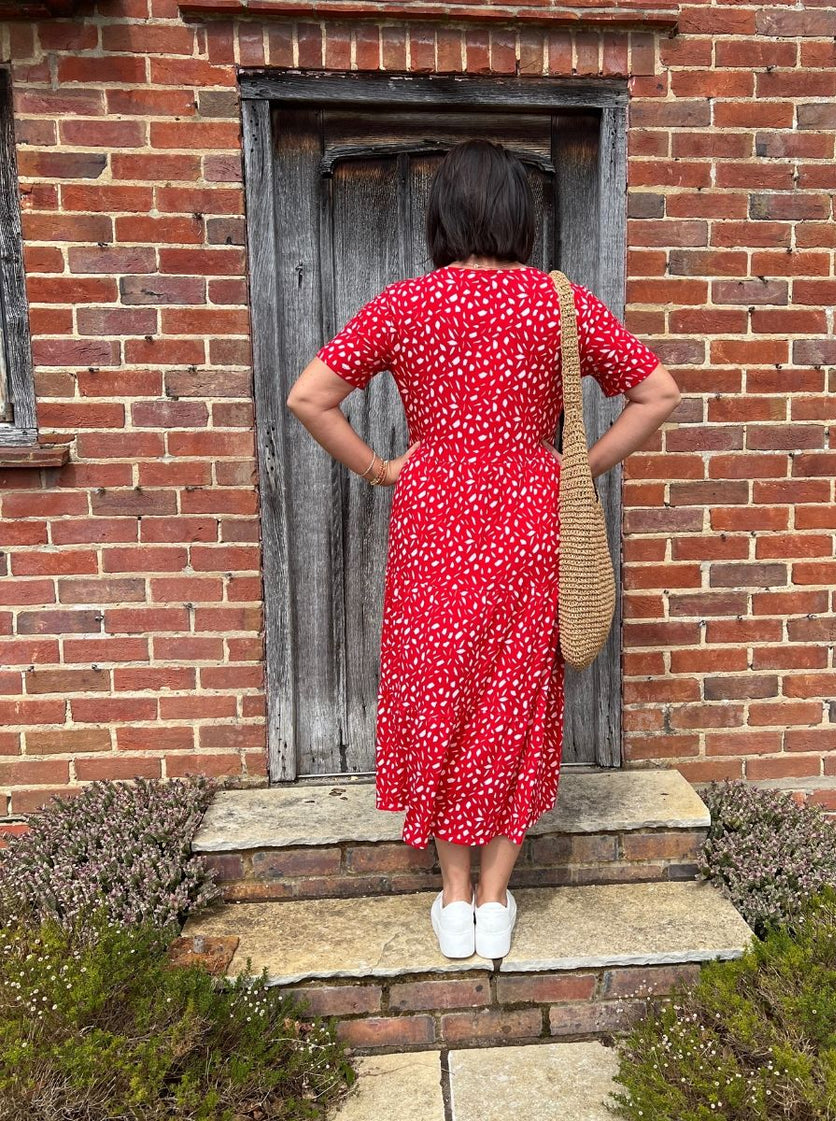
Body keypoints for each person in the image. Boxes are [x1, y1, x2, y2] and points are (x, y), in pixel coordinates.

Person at [286, 138, 682, 961]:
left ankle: (455, 896)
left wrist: (381, 467)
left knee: (440, 694)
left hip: (433, 520)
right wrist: (580, 465)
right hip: (531, 517)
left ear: (443, 217)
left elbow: (308, 397)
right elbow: (657, 392)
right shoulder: (557, 306)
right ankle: (497, 901)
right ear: (519, 215)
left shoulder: (404, 305)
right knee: (516, 700)